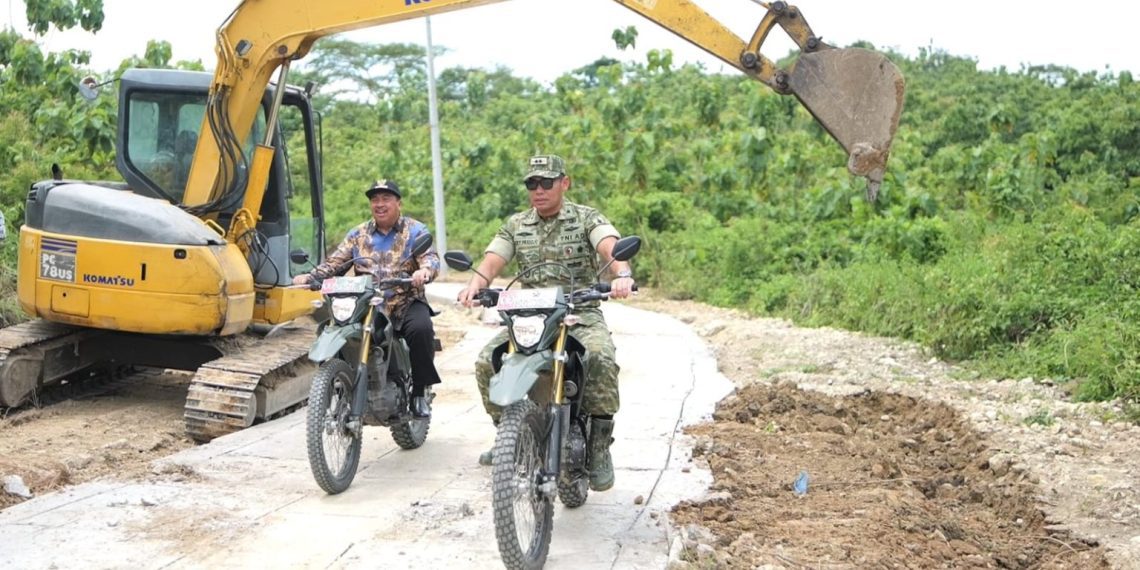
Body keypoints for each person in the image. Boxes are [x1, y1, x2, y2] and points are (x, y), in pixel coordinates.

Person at [457, 154, 635, 491]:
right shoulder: (516, 224)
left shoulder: (585, 218)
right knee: (486, 362)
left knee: (600, 357)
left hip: (578, 311)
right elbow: (493, 260)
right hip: (529, 316)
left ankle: (598, 449)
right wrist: (475, 285)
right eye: (532, 184)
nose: (538, 190)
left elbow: (610, 247)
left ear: (564, 183)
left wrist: (622, 275)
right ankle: (508, 438)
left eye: (546, 182)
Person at [293, 179, 441, 418]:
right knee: (333, 327)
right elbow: (335, 263)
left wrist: (424, 271)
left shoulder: (415, 231)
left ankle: (420, 391)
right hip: (365, 305)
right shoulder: (358, 234)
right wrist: (312, 277)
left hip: (404, 302)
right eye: (375, 200)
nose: (380, 204)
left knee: (422, 329)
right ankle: (338, 384)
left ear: (398, 203)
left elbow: (430, 258)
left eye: (386, 199)